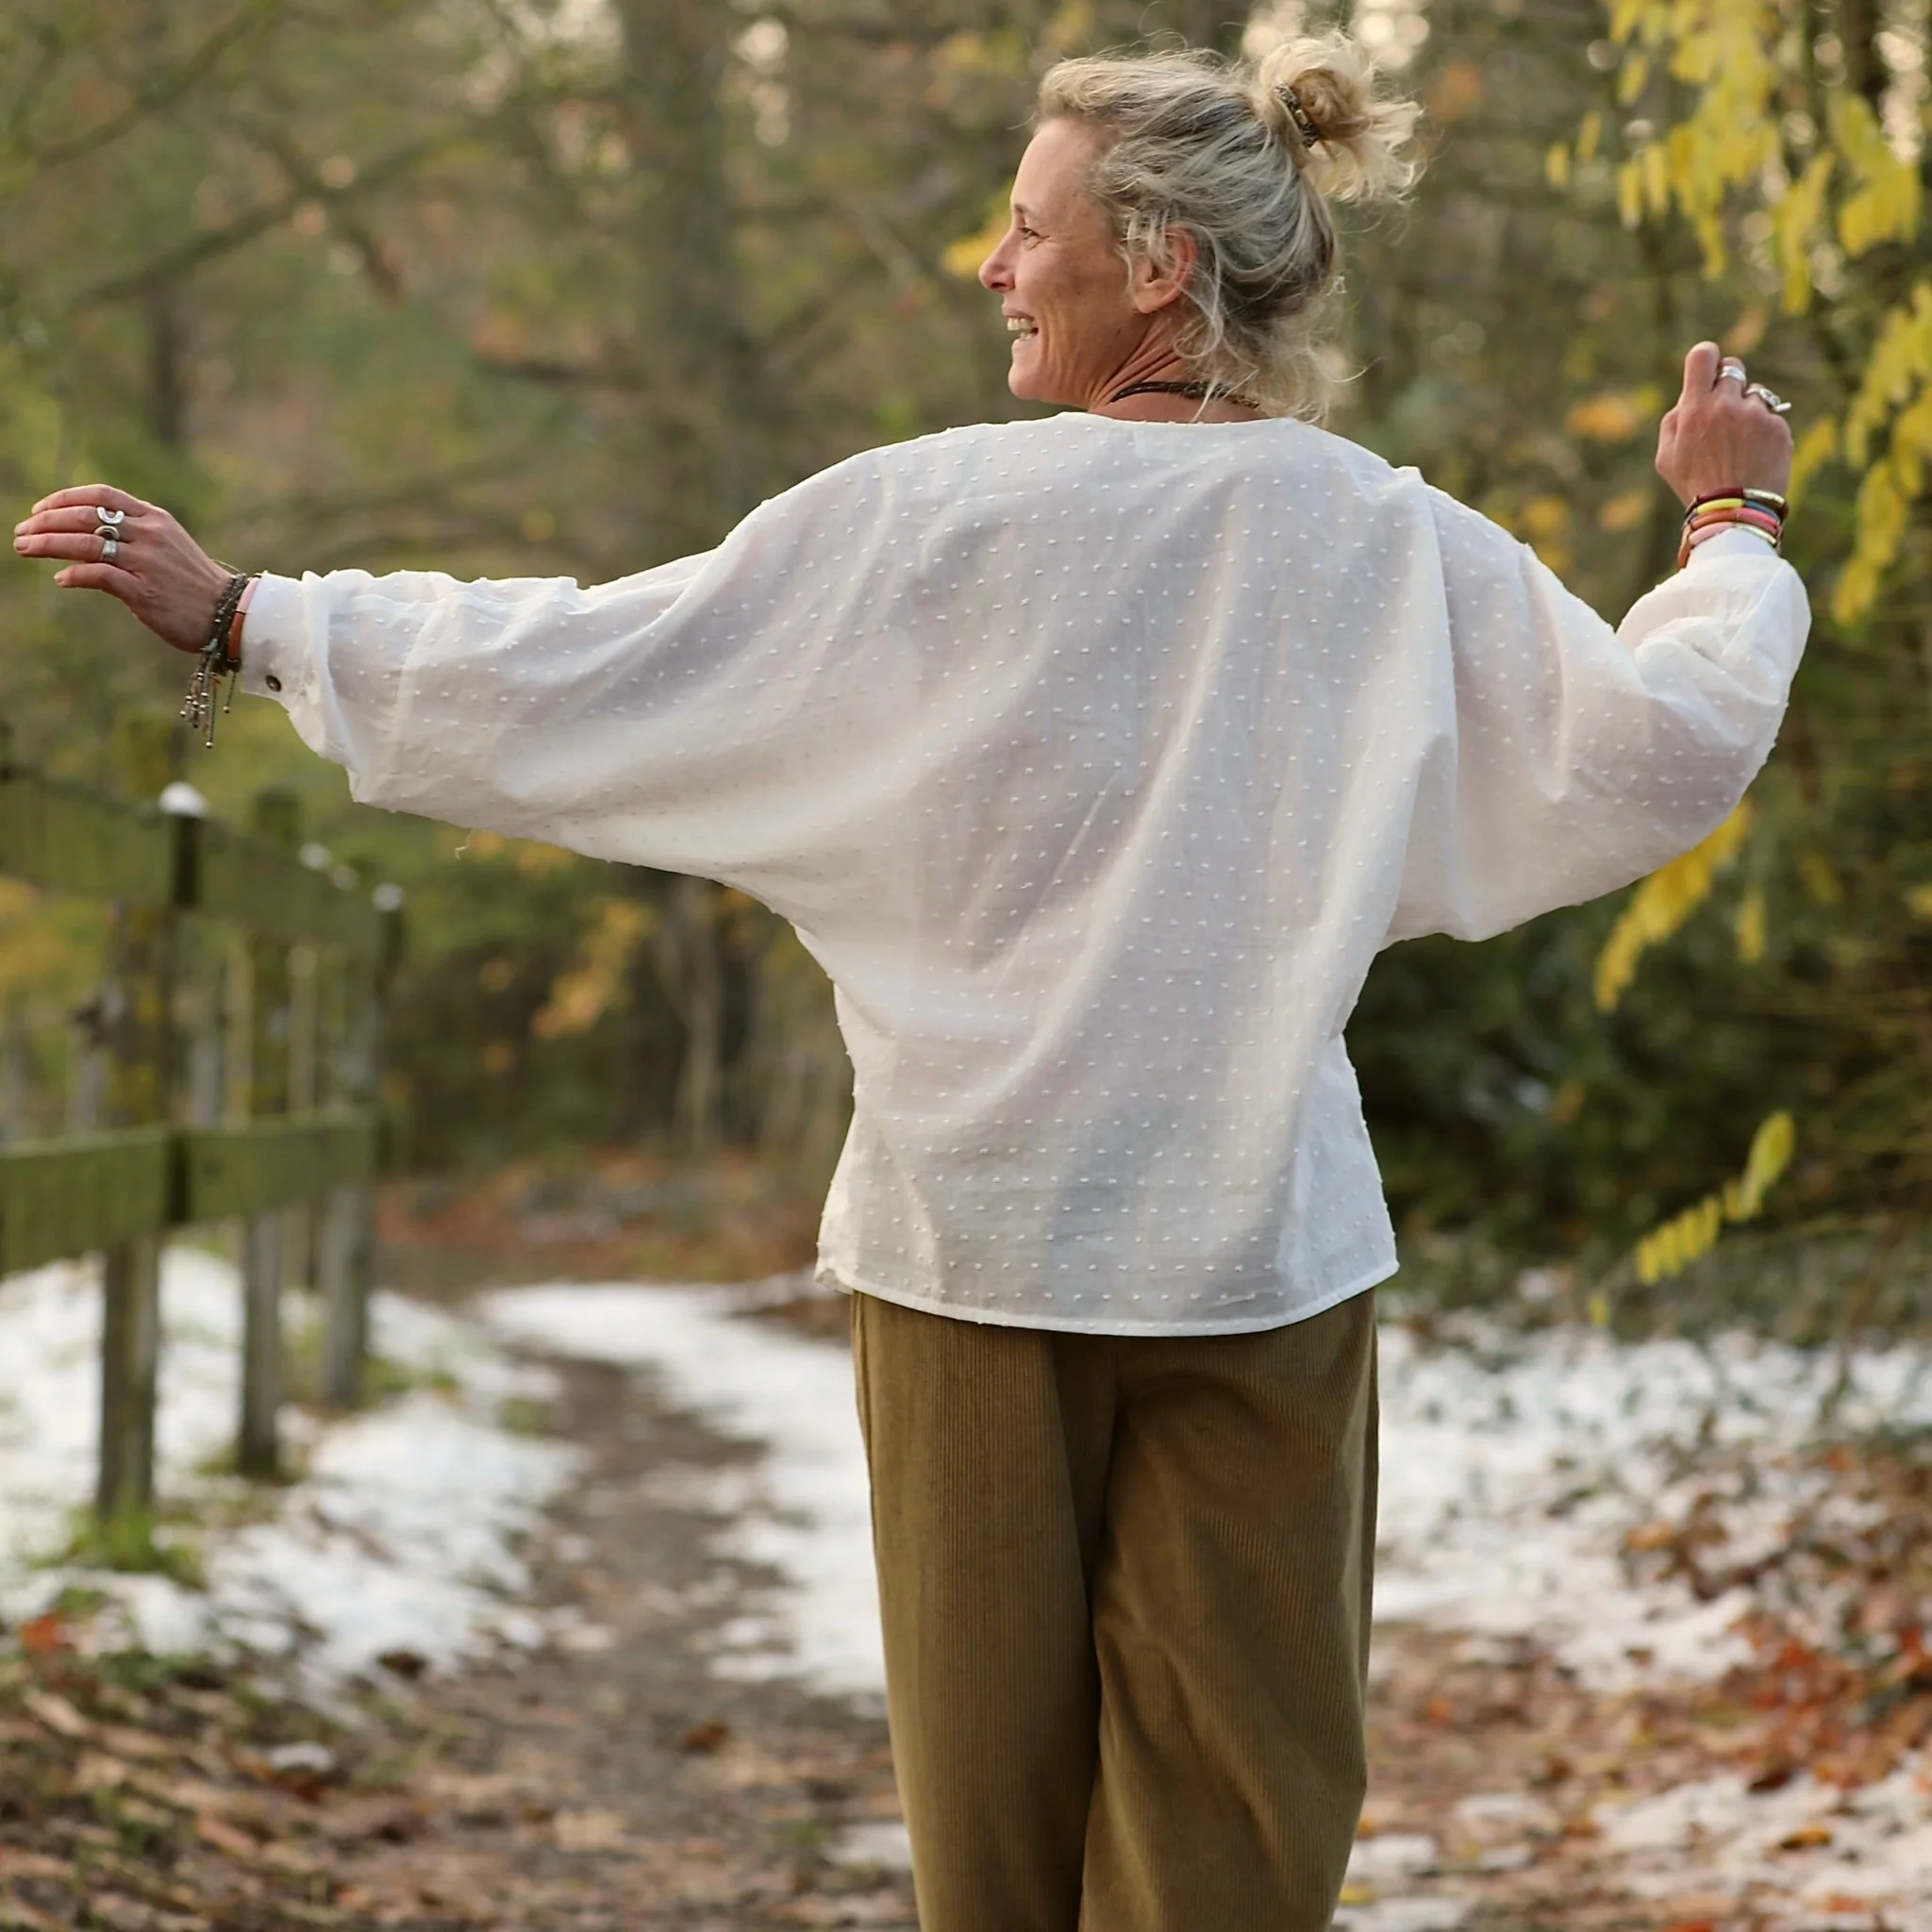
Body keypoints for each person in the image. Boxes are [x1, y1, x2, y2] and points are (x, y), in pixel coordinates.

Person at [15, 32, 1804, 1932]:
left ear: (1157, 264)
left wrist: (256, 619)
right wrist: (1728, 527)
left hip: (974, 1253)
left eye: (1025, 228)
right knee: (1239, 1839)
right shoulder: (1376, 539)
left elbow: (595, 672)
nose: (992, 265)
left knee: (990, 1853)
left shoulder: (928, 518)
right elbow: (1651, 743)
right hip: (1252, 1246)